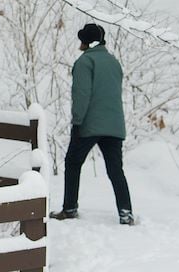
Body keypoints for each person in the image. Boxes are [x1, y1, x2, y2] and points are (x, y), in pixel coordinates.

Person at [50, 23, 135, 225]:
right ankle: (126, 212)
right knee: (115, 170)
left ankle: (70, 208)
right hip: (115, 126)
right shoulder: (114, 62)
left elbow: (82, 94)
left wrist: (77, 122)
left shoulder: (85, 62)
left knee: (72, 162)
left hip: (90, 124)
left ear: (85, 42)